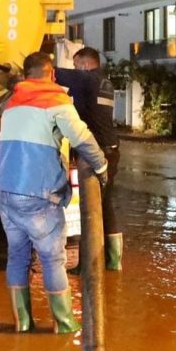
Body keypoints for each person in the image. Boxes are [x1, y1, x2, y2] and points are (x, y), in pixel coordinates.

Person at [0, 52, 108, 333]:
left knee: (17, 256)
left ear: (26, 74)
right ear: (52, 74)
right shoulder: (56, 101)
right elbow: (82, 138)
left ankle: (22, 323)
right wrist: (102, 166)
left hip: (5, 192)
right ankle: (64, 323)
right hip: (37, 194)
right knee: (52, 259)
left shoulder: (10, 103)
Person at [55, 46, 124, 271]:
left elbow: (49, 73)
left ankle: (88, 266)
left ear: (85, 65)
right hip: (112, 149)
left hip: (96, 153)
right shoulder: (105, 82)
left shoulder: (85, 79)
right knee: (105, 205)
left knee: (90, 208)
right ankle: (113, 263)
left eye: (76, 65)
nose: (74, 69)